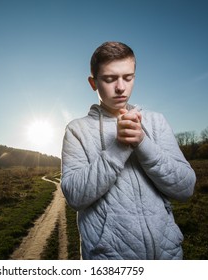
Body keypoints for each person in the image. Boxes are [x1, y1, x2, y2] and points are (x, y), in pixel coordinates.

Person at [61, 41, 196, 260]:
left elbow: (186, 187)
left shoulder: (156, 122)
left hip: (168, 257)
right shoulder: (77, 130)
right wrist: (119, 148)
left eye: (128, 77)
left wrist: (143, 142)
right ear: (93, 83)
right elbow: (74, 196)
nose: (121, 87)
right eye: (110, 79)